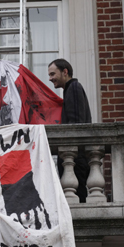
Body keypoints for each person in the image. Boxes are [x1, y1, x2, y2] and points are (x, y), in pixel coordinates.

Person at [48, 59, 92, 202]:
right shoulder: (71, 89)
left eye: (53, 74)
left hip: (75, 161)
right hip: (75, 160)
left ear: (65, 72)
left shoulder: (73, 88)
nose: (50, 78)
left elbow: (75, 126)